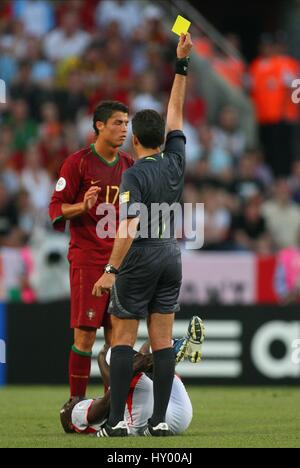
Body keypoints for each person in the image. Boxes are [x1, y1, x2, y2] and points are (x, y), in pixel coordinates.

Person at [92, 33, 193, 436]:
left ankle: (115, 422)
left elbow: (129, 225)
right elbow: (177, 113)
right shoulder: (176, 162)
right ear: (163, 140)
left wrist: (111, 269)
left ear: (134, 140)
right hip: (172, 254)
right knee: (164, 341)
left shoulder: (134, 173)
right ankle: (161, 422)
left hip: (141, 256)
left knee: (123, 339)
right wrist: (181, 65)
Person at [49, 101, 133, 402]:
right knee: (85, 335)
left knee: (117, 338)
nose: (124, 129)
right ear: (99, 125)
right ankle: (75, 403)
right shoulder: (78, 163)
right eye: (118, 123)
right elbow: (55, 208)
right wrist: (82, 206)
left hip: (119, 263)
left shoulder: (128, 166)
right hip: (87, 260)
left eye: (126, 123)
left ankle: (114, 407)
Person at [60, 316, 205, 436]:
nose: (71, 400)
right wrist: (103, 360)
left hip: (175, 416)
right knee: (111, 354)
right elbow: (106, 403)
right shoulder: (77, 415)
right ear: (69, 423)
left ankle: (172, 350)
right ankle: (171, 352)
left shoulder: (91, 409)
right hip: (152, 417)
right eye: (68, 405)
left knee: (144, 353)